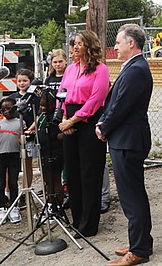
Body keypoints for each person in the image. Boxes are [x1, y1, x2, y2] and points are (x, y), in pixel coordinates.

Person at [97, 24, 154, 266]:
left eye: (118, 42)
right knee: (132, 194)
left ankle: (140, 250)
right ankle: (138, 242)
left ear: (131, 43)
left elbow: (122, 106)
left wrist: (104, 127)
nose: (115, 47)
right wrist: (104, 122)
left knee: (132, 196)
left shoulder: (137, 70)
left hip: (129, 140)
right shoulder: (132, 67)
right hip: (124, 138)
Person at [58, 30, 110, 237]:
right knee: (72, 172)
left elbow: (95, 100)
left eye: (80, 43)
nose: (76, 47)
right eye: (75, 43)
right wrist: (63, 119)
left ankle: (89, 223)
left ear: (90, 46)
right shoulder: (70, 70)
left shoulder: (100, 70)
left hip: (89, 122)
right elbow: (62, 95)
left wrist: (73, 119)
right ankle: (77, 219)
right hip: (68, 121)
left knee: (89, 172)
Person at [0, 97, 22, 225]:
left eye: (8, 108)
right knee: (0, 183)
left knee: (13, 182)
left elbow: (23, 135)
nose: (6, 112)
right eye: (3, 109)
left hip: (14, 155)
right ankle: (1, 208)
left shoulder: (20, 122)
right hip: (0, 155)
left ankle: (14, 207)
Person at [9, 68, 38, 193]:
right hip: (14, 135)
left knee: (27, 164)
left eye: (25, 81)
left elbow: (39, 115)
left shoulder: (34, 97)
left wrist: (32, 128)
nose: (22, 83)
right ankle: (11, 191)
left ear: (30, 81)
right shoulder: (12, 97)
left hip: (29, 135)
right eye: (19, 81)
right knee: (12, 165)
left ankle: (26, 190)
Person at [36, 89, 64, 211]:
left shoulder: (57, 116)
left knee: (55, 179)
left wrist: (60, 136)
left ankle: (57, 206)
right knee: (47, 180)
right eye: (41, 105)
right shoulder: (42, 115)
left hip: (55, 152)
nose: (42, 108)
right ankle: (50, 203)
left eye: (45, 106)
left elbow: (61, 133)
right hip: (44, 151)